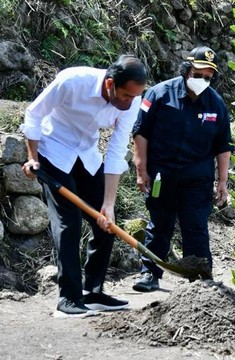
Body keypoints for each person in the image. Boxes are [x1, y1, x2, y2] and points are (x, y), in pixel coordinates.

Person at [21, 55, 147, 317]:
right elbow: (34, 113)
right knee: (69, 223)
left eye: (133, 97)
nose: (127, 102)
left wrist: (109, 205)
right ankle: (68, 299)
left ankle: (93, 292)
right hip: (53, 151)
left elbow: (115, 152)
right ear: (110, 83)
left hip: (87, 155)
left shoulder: (130, 103)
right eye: (124, 95)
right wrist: (33, 157)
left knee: (106, 222)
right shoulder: (73, 81)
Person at [131, 46, 233, 292]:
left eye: (208, 77)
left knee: (195, 227)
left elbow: (223, 146)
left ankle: (199, 279)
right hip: (160, 176)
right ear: (187, 69)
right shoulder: (159, 94)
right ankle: (150, 274)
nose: (203, 80)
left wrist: (222, 181)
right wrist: (141, 170)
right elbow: (140, 133)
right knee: (159, 225)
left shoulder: (216, 104)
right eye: (199, 74)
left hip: (196, 180)